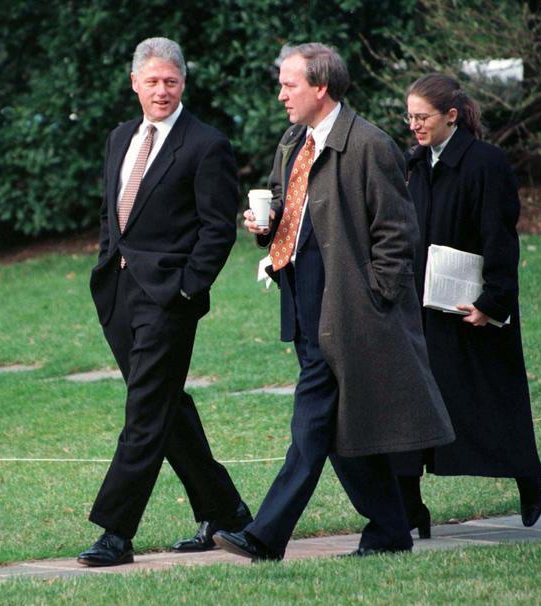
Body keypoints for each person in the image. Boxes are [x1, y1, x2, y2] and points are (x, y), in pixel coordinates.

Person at [213, 43, 454, 561]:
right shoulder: (293, 141)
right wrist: (265, 224)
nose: (281, 95)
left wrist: (375, 298)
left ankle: (265, 535)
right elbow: (290, 210)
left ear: (320, 87)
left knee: (311, 420)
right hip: (301, 295)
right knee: (337, 424)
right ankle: (390, 529)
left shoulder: (369, 145)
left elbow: (397, 234)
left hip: (348, 304)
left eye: (289, 84)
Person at [78, 37, 251, 567]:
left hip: (169, 300)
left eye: (170, 81)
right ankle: (228, 512)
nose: (161, 91)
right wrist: (108, 264)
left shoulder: (205, 144)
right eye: (152, 81)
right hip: (118, 295)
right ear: (135, 83)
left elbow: (217, 230)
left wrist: (185, 288)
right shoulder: (119, 138)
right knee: (167, 407)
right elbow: (113, 215)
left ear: (183, 84)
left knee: (146, 411)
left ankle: (115, 532)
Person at [393, 73, 541, 537]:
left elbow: (500, 236)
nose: (414, 125)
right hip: (421, 310)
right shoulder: (414, 164)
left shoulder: (486, 163)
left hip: (471, 309)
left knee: (493, 400)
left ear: (451, 117)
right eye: (410, 117)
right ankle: (410, 506)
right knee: (410, 408)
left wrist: (492, 302)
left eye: (423, 117)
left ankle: (528, 478)